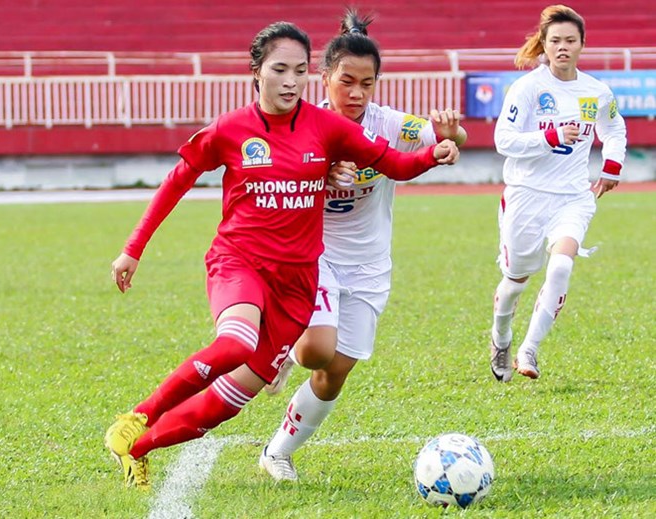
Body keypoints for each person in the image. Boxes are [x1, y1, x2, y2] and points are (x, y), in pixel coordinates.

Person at [104, 21, 460, 490]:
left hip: (299, 282)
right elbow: (178, 180)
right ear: (256, 72)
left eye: (298, 71)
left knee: (233, 399)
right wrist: (133, 249)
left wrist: (435, 153)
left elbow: (393, 163)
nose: (290, 81)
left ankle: (138, 449)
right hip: (240, 262)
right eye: (279, 70)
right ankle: (137, 418)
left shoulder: (327, 127)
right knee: (235, 344)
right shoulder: (231, 129)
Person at [257, 9, 468, 482]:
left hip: (371, 264)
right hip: (315, 255)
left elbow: (451, 137)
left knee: (336, 370)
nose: (355, 93)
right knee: (315, 351)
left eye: (366, 84)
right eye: (345, 81)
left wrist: (450, 136)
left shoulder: (390, 123)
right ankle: (284, 348)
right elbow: (270, 180)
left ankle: (277, 451)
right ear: (324, 76)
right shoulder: (298, 125)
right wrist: (319, 173)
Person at [489, 5, 626, 382]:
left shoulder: (596, 91)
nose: (563, 47)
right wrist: (548, 137)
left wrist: (612, 165)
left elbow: (614, 128)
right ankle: (501, 337)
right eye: (555, 41)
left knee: (562, 265)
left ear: (582, 44)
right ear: (544, 46)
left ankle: (529, 348)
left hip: (572, 196)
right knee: (515, 281)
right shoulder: (528, 88)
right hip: (526, 195)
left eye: (570, 40)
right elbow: (503, 140)